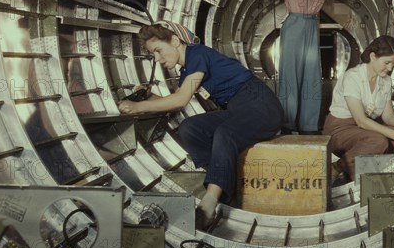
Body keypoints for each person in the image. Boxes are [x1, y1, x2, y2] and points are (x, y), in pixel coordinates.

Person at [117, 21, 283, 230]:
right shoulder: (188, 72)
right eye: (153, 55)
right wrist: (148, 97)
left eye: (158, 51)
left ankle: (209, 204)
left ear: (176, 41)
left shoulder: (197, 54)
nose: (157, 59)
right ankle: (221, 180)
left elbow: (179, 100)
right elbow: (174, 103)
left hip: (261, 106)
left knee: (225, 133)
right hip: (236, 110)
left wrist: (138, 107)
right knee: (189, 128)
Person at [322, 35, 394, 182]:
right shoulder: (353, 77)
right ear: (373, 56)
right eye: (387, 62)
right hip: (339, 130)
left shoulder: (385, 80)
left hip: (365, 130)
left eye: (393, 63)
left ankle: (381, 178)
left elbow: (388, 117)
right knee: (378, 141)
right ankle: (338, 167)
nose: (390, 68)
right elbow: (361, 121)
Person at [278, 0, 331, 134]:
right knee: (290, 74)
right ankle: (287, 123)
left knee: (312, 75)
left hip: (311, 25)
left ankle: (308, 125)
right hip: (294, 24)